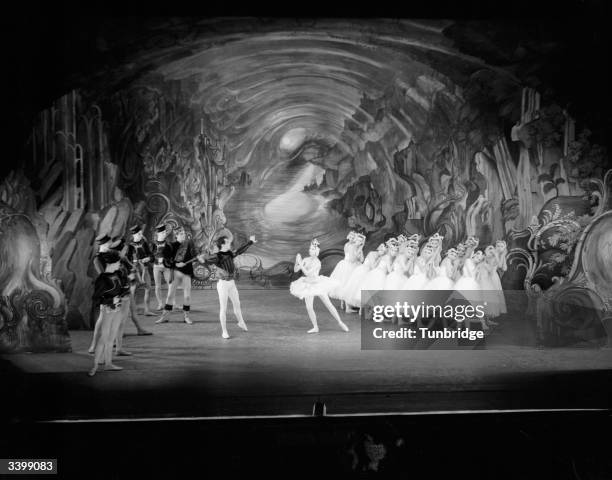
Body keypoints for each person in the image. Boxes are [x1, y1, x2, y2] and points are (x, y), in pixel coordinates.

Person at [199, 234, 256, 339]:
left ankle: (241, 322)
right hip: (223, 285)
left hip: (232, 283)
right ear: (223, 244)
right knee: (223, 309)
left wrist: (250, 242)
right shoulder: (217, 256)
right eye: (228, 242)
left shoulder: (229, 253)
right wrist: (202, 259)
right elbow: (206, 261)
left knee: (237, 305)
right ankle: (224, 331)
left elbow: (239, 251)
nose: (230, 244)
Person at [289, 239, 349, 333]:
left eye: (312, 249)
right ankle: (315, 327)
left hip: (317, 284)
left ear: (316, 251)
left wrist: (301, 264)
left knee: (328, 304)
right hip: (307, 284)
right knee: (309, 307)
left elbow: (308, 273)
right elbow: (296, 270)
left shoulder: (317, 263)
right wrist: (297, 262)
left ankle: (340, 322)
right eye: (310, 248)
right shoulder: (306, 259)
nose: (310, 250)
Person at [89, 251, 125, 377]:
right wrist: (110, 301)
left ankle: (108, 363)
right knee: (103, 338)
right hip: (107, 310)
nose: (120, 264)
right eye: (118, 262)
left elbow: (120, 290)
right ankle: (95, 365)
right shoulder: (102, 279)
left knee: (111, 338)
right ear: (112, 262)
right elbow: (96, 298)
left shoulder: (118, 274)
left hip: (117, 310)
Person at [156, 226, 199, 325]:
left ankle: (186, 316)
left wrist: (198, 257)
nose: (184, 235)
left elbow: (195, 256)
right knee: (170, 295)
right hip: (175, 272)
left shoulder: (189, 244)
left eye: (184, 233)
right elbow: (165, 260)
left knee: (187, 296)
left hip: (186, 272)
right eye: (181, 234)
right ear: (176, 235)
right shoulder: (171, 246)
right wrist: (175, 264)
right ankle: (165, 316)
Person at [127, 224, 155, 317]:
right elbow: (127, 259)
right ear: (133, 235)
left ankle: (147, 310)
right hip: (135, 270)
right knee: (133, 290)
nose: (141, 235)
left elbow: (151, 255)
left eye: (141, 233)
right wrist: (132, 267)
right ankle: (132, 311)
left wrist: (148, 258)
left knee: (148, 288)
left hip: (145, 268)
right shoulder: (130, 246)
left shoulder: (144, 243)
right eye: (139, 234)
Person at [151, 224, 175, 311]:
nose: (164, 234)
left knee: (170, 285)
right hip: (156, 267)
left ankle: (170, 303)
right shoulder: (153, 244)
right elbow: (151, 255)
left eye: (165, 232)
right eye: (162, 233)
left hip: (166, 267)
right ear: (158, 234)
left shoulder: (168, 244)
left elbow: (172, 255)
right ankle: (160, 303)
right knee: (158, 286)